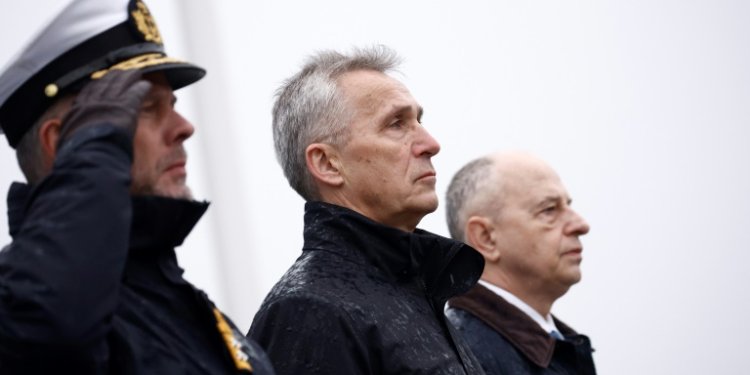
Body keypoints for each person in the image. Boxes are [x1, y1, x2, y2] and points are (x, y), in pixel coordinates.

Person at [0, 0, 273, 373]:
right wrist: (92, 155)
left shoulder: (184, 306)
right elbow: (48, 332)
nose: (184, 126)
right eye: (143, 107)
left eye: (173, 104)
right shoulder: (36, 307)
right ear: (64, 143)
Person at [247, 46, 486, 375]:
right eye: (395, 124)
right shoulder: (311, 311)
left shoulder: (409, 289)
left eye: (419, 120)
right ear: (328, 164)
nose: (431, 143)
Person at [444, 151, 596, 375]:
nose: (581, 225)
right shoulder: (459, 358)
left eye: (568, 206)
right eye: (549, 210)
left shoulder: (559, 346)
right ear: (486, 238)